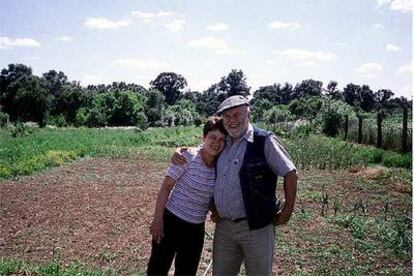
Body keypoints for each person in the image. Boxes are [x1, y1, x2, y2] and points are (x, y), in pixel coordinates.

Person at [172, 95, 298, 276]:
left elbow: (290, 173)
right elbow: (204, 149)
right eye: (227, 116)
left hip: (257, 227)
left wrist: (287, 211)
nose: (232, 121)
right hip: (224, 227)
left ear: (249, 114)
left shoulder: (264, 140)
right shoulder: (223, 142)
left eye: (237, 115)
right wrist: (180, 149)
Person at [146, 116, 227, 276]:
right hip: (171, 223)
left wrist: (215, 210)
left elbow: (207, 196)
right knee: (157, 269)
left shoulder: (221, 166)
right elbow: (165, 188)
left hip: (195, 229)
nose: (216, 143)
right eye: (212, 137)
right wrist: (157, 220)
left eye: (222, 139)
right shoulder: (187, 157)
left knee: (187, 272)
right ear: (204, 137)